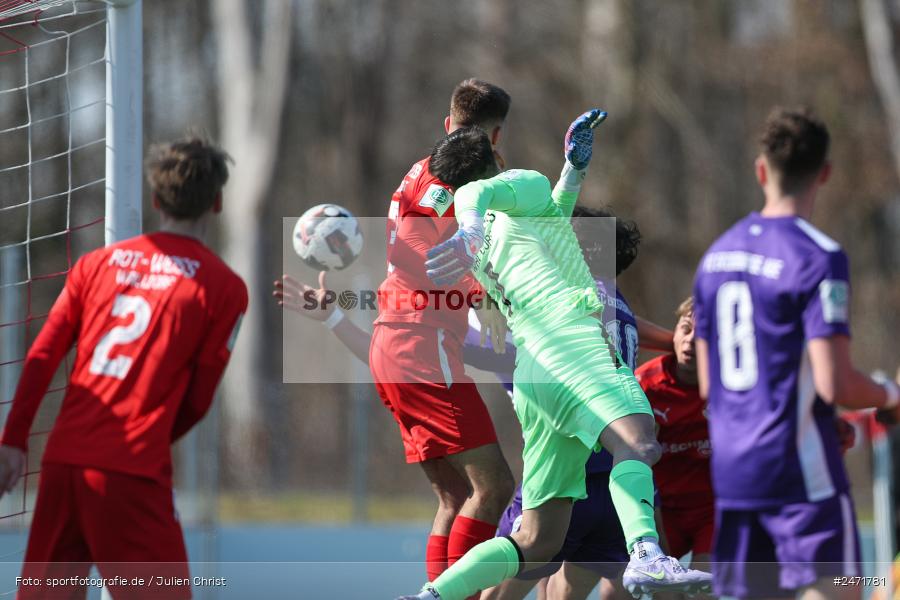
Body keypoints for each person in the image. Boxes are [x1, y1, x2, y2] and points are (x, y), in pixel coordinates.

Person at [398, 118, 711, 600]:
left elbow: (551, 215)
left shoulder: (513, 226)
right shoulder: (513, 187)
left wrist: (574, 169)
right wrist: (470, 227)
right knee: (639, 441)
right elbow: (477, 198)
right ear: (496, 161)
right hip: (573, 342)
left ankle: (434, 595)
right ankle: (646, 554)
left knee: (537, 542)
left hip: (536, 377)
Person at [0, 137, 248, 599]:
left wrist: (13, 441)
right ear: (216, 201)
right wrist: (146, 439)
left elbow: (42, 356)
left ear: (155, 200)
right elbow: (197, 401)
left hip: (63, 463)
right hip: (131, 471)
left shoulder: (95, 264)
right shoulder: (224, 288)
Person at [692, 106, 900, 599]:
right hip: (800, 476)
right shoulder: (818, 256)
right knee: (854, 583)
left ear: (761, 171)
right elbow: (838, 385)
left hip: (734, 474)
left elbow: (709, 384)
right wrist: (890, 396)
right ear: (824, 173)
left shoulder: (715, 256)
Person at [635, 297, 714, 578]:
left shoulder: (731, 384)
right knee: (616, 593)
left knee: (702, 588)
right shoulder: (645, 384)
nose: (691, 341)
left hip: (713, 511)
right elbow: (633, 465)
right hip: (662, 511)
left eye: (704, 334)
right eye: (686, 329)